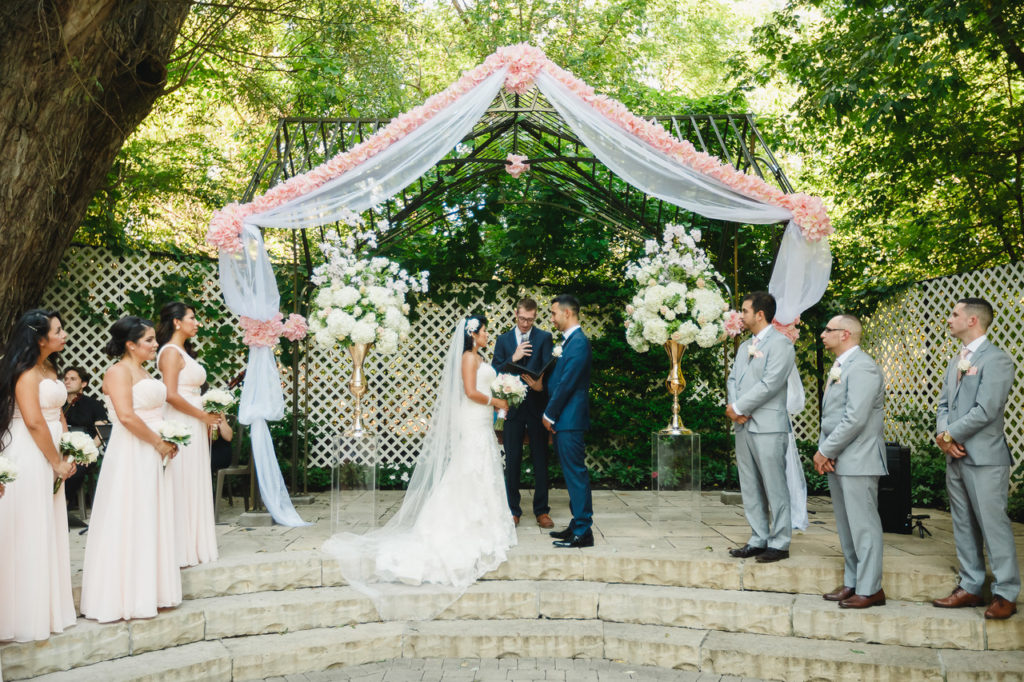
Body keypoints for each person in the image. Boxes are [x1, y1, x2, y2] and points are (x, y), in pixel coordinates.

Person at [323, 314, 516, 618]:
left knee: (481, 468)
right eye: (484, 331)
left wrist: (502, 394)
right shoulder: (468, 358)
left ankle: (485, 519)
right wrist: (498, 402)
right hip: (473, 416)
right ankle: (462, 522)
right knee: (469, 467)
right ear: (472, 334)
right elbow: (469, 392)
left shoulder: (480, 357)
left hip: (481, 420)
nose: (487, 335)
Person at [80, 316, 182, 622]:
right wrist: (158, 442)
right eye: (149, 340)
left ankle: (152, 588)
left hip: (152, 448)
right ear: (130, 344)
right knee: (130, 516)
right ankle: (125, 595)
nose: (154, 344)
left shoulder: (142, 370)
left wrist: (169, 437)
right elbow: (125, 415)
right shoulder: (117, 371)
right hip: (132, 451)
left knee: (151, 515)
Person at [932, 298, 1019, 620]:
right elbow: (943, 405)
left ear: (972, 321)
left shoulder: (997, 360)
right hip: (955, 455)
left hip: (984, 458)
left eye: (954, 313)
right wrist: (944, 437)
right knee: (963, 523)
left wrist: (949, 435)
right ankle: (970, 586)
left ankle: (1006, 592)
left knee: (993, 524)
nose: (949, 318)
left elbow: (987, 409)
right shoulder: (957, 360)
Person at [0, 309, 77, 642]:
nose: (63, 335)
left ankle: (48, 605)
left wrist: (71, 446)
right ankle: (22, 613)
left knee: (47, 526)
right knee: (29, 528)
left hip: (52, 451)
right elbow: (33, 421)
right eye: (58, 331)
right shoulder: (26, 372)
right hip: (31, 455)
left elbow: (57, 412)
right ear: (39, 337)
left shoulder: (50, 368)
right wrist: (55, 462)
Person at [813, 314, 888, 609]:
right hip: (839, 456)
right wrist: (827, 451)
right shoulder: (842, 366)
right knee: (846, 525)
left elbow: (854, 418)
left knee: (864, 525)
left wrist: (825, 451)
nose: (822, 334)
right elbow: (831, 416)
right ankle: (853, 581)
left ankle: (871, 589)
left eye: (828, 330)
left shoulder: (864, 368)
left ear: (845, 334)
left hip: (859, 457)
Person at [725, 291, 795, 563]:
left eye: (744, 311)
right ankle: (758, 538)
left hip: (768, 426)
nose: (740, 316)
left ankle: (780, 542)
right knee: (750, 484)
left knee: (774, 485)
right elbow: (733, 379)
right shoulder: (745, 347)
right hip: (743, 426)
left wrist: (740, 407)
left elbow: (771, 383)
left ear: (760, 314)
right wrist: (734, 408)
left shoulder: (782, 345)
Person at [525, 294, 594, 549]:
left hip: (569, 418)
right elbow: (558, 379)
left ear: (567, 313)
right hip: (565, 418)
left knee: (576, 473)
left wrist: (549, 413)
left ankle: (584, 530)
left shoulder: (578, 343)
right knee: (570, 473)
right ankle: (577, 525)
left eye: (554, 313)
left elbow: (568, 384)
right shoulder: (568, 342)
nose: (551, 318)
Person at [156, 302, 219, 567]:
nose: (197, 323)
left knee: (194, 480)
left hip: (193, 420)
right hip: (181, 421)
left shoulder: (184, 352)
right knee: (181, 481)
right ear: (176, 322)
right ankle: (179, 548)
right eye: (192, 318)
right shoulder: (170, 352)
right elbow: (170, 395)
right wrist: (202, 415)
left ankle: (195, 544)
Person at [491, 297, 554, 529]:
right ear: (516, 315)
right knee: (513, 460)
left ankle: (542, 511)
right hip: (513, 410)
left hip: (537, 408)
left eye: (530, 319)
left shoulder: (545, 338)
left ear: (535, 316)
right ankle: (513, 510)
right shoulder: (504, 340)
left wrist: (541, 386)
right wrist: (513, 358)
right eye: (522, 318)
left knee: (540, 461)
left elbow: (551, 371)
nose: (526, 323)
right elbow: (494, 370)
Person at [62, 366, 108, 527]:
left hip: (86, 451)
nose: (67, 382)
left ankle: (63, 507)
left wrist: (87, 451)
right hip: (61, 451)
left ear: (84, 383)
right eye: (66, 379)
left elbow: (102, 431)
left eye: (73, 379)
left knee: (76, 469)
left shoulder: (93, 405)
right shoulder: (58, 404)